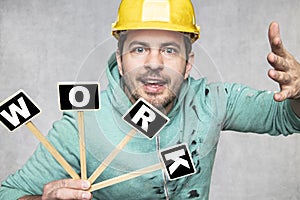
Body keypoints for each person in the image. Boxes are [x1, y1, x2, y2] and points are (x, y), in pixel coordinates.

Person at [1, 0, 300, 199]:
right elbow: (9, 193)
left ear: (188, 62)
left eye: (169, 50)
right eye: (140, 49)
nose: (154, 63)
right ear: (119, 60)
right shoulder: (83, 124)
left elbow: (286, 117)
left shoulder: (212, 101)